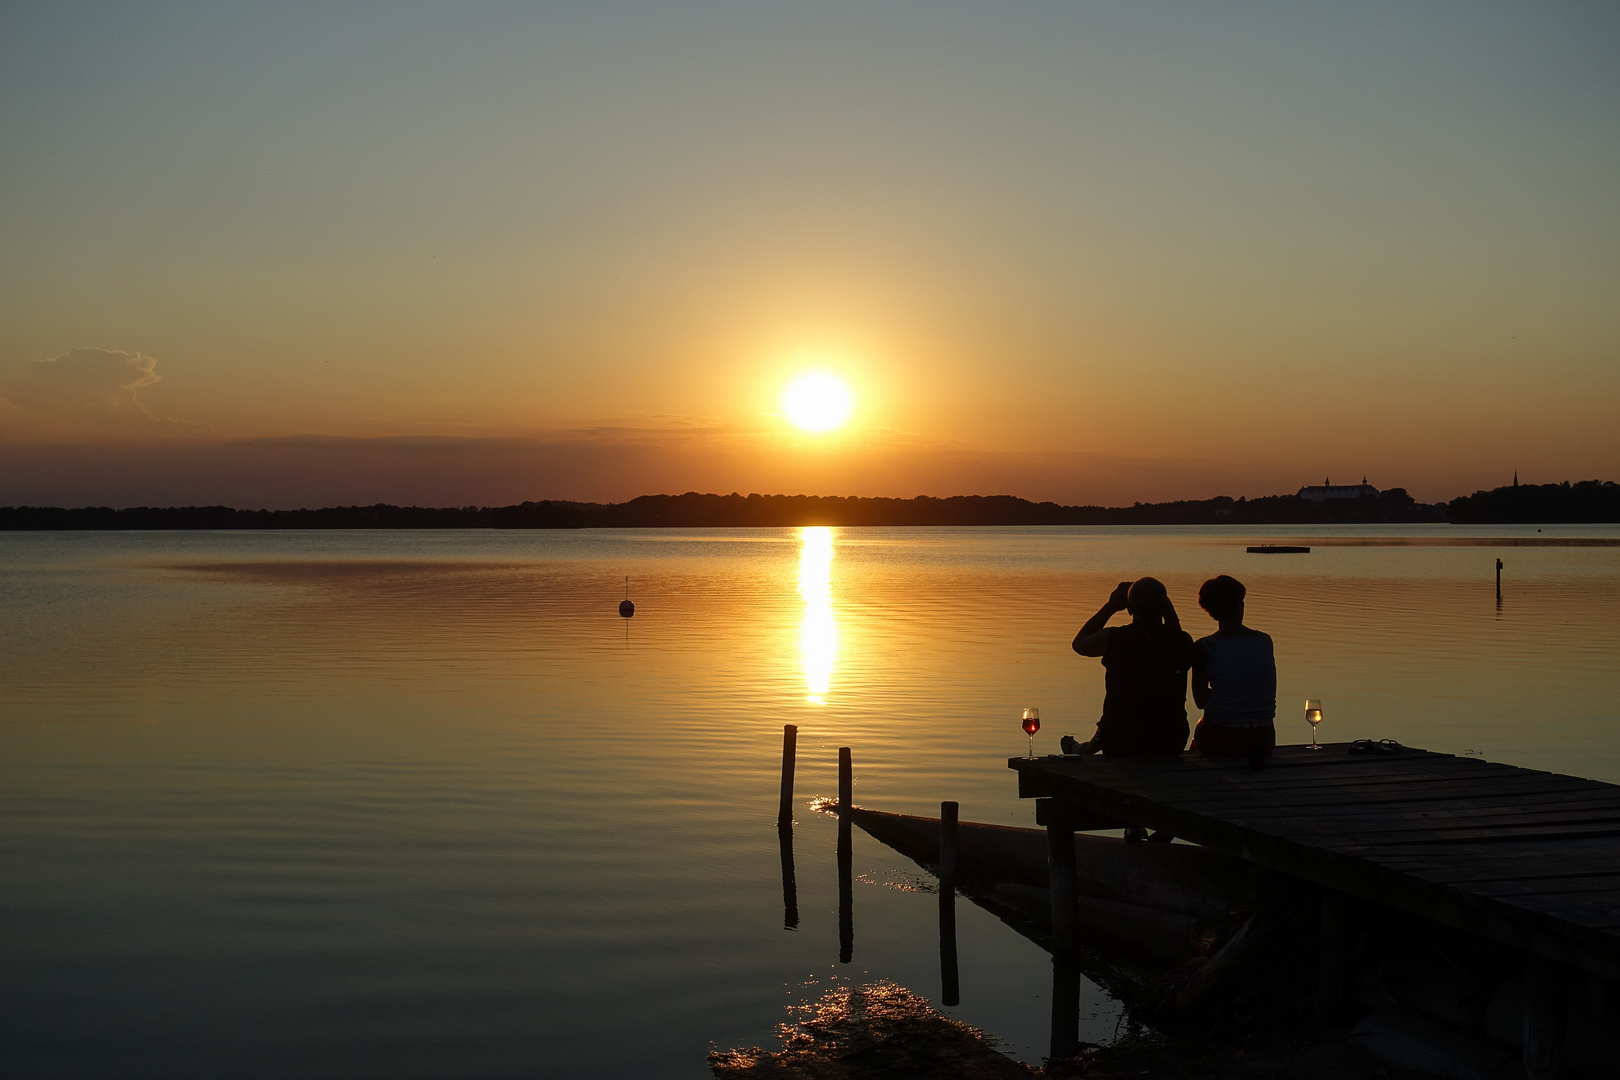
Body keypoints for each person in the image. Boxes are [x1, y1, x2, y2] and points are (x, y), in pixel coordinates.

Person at [1060, 577, 1194, 759]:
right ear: (1164, 607)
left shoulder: (1113, 638)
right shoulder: (1183, 641)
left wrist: (1111, 606)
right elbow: (1175, 635)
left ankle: (1082, 750)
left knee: (1120, 712)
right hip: (1170, 742)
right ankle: (1084, 749)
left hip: (1120, 742)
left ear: (1129, 608)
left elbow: (1079, 644)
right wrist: (1169, 612)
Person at [1189, 575, 1276, 762]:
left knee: (1196, 738)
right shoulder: (1264, 641)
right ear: (1240, 605)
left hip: (1221, 738)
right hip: (1264, 739)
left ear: (1211, 611)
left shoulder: (1204, 647)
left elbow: (1199, 701)